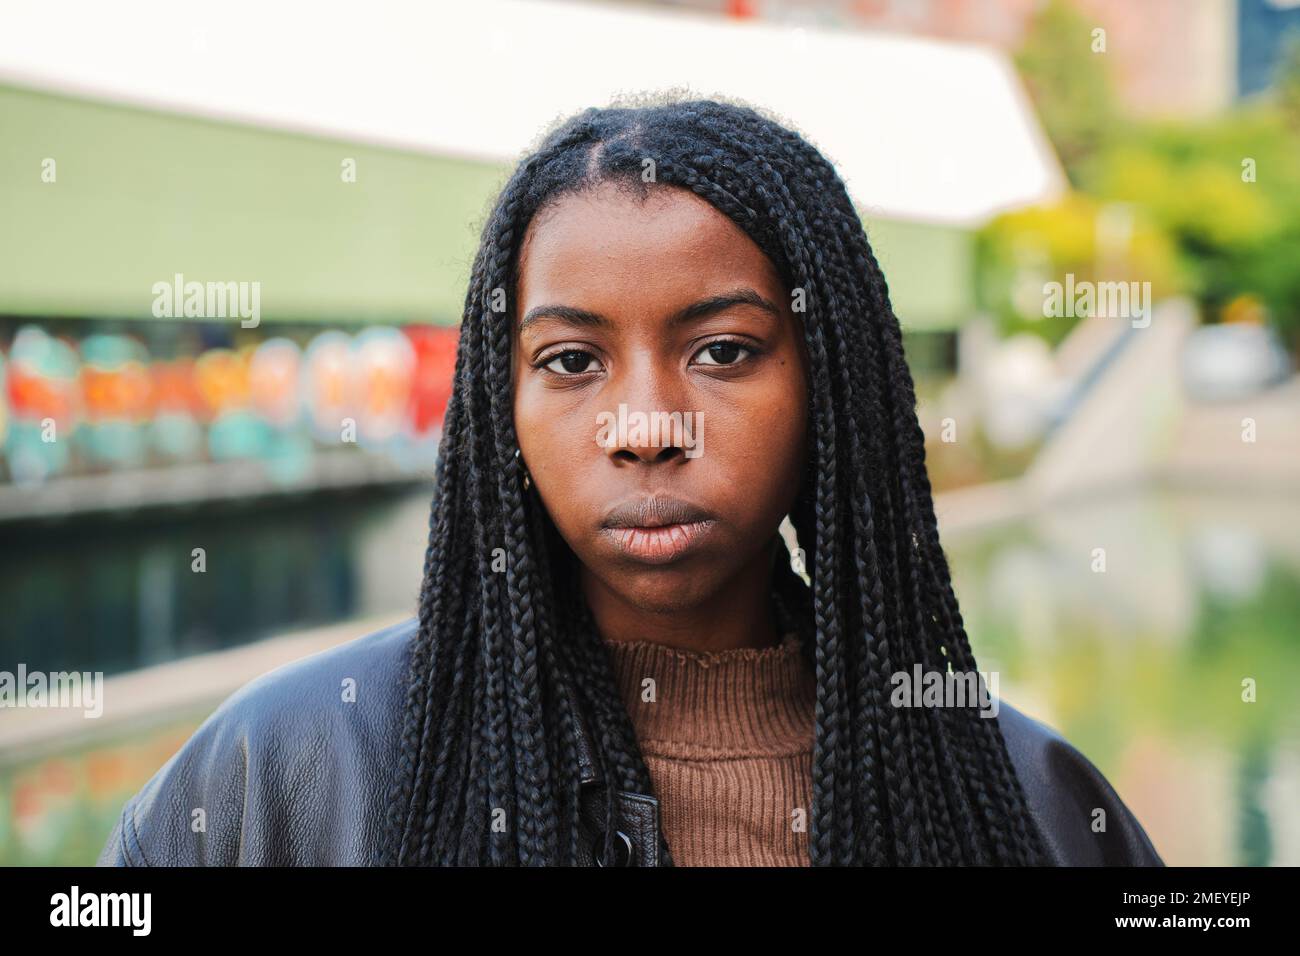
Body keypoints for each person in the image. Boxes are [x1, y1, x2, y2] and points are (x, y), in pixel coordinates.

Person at [98, 94, 1163, 867]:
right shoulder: (279, 772)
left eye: (724, 351)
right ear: (497, 405)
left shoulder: (1037, 807)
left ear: (830, 383)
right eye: (571, 361)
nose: (644, 427)